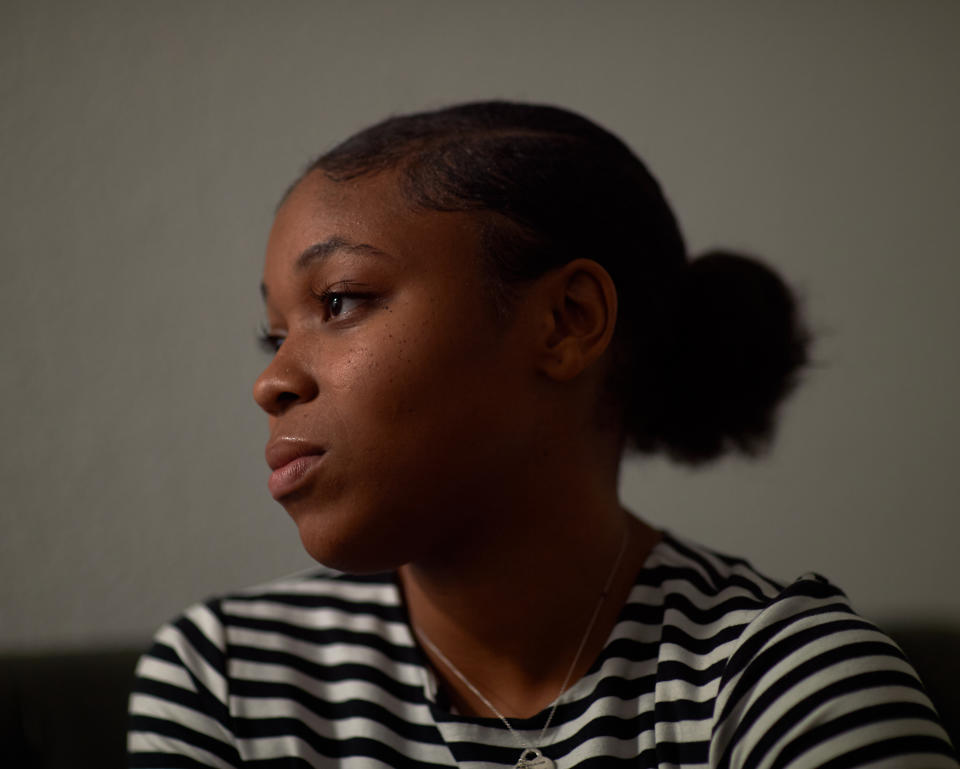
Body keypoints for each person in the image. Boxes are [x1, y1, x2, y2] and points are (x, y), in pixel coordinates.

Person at [127, 101, 957, 768]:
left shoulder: (790, 685)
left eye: (339, 301)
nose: (272, 380)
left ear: (567, 321)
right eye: (275, 335)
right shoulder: (229, 678)